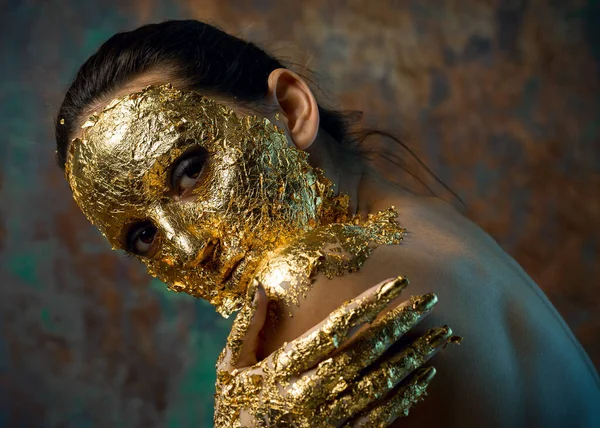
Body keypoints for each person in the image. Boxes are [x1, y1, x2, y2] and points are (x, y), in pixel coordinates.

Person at [55, 20, 600, 427]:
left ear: (291, 110)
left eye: (190, 169)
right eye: (142, 236)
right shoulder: (431, 223)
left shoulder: (310, 284)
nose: (189, 245)